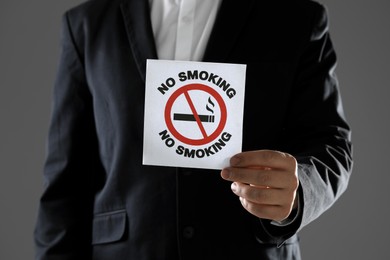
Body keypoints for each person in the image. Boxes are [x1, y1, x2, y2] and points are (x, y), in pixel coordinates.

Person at [34, 0, 353, 259]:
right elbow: (67, 181)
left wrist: (299, 192)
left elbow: (330, 143)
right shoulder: (87, 25)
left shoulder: (296, 19)